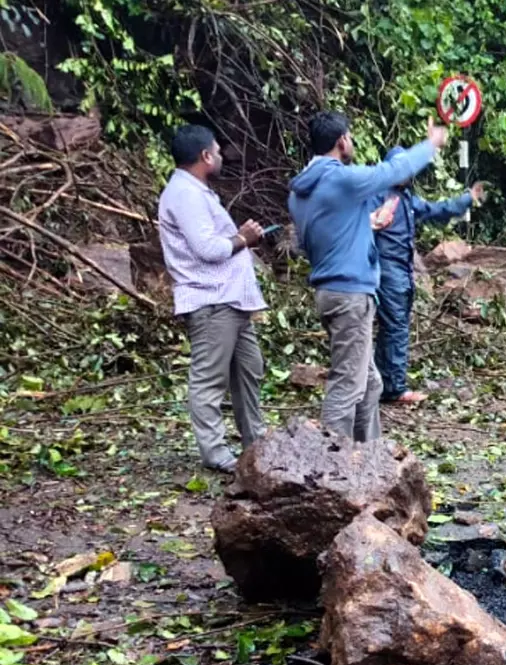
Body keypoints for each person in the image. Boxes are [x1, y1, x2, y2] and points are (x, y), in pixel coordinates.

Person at [287, 112, 447, 441]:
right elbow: (393, 171)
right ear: (341, 141)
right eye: (351, 136)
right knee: (347, 384)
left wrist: (368, 223)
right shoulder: (341, 179)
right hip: (349, 295)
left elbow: (312, 240)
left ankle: (370, 454)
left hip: (330, 289)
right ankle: (334, 465)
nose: (353, 142)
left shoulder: (302, 188)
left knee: (370, 382)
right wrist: (430, 145)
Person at [157, 124, 267, 473]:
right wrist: (242, 238)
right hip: (210, 301)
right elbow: (207, 249)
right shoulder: (184, 194)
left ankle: (257, 443)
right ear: (205, 156)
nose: (221, 157)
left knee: (250, 369)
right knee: (209, 380)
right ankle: (216, 453)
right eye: (217, 152)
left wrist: (241, 239)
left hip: (231, 300)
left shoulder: (197, 192)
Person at [369, 148, 485, 406]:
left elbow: (437, 210)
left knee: (392, 327)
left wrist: (467, 198)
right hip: (385, 270)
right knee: (396, 326)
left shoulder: (407, 199)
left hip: (401, 268)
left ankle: (382, 384)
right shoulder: (376, 195)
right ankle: (394, 389)